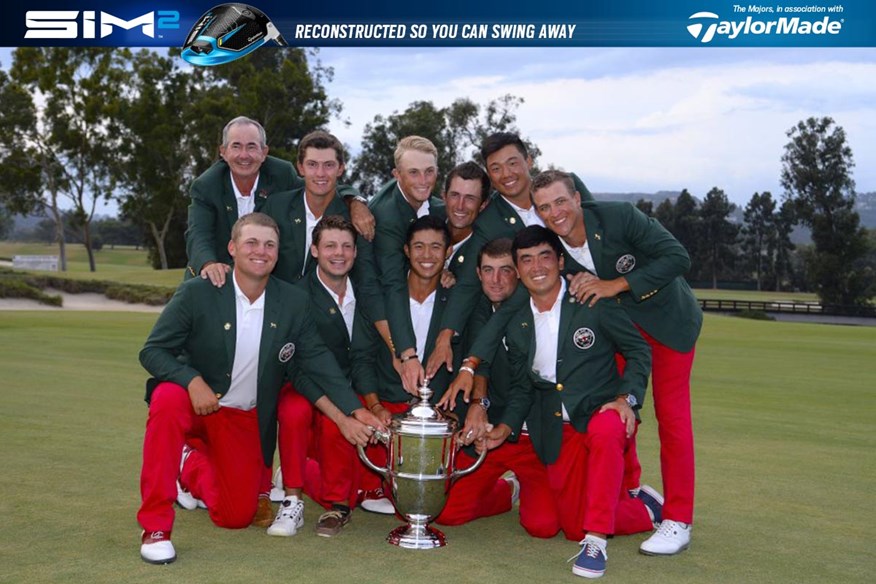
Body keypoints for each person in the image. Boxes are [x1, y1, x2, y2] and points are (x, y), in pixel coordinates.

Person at [137, 213, 384, 564]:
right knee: (167, 398)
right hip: (194, 400)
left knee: (235, 516)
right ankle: (156, 527)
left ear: (278, 253)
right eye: (251, 242)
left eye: (269, 244)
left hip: (242, 417)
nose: (260, 251)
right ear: (232, 248)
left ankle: (188, 463)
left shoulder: (292, 302)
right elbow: (152, 351)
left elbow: (317, 361)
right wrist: (191, 380)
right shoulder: (198, 292)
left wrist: (356, 410)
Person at [530, 170, 702, 556]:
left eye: (560, 201)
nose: (555, 212)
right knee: (618, 413)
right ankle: (631, 489)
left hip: (669, 324)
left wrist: (616, 285)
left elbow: (678, 257)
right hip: (621, 335)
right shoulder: (553, 248)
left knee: (673, 420)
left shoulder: (620, 216)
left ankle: (678, 520)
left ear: (576, 198)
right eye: (544, 207)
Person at [487, 225, 659, 579]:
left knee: (609, 426)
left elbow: (638, 349)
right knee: (549, 524)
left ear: (560, 261)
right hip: (555, 429)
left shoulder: (591, 300)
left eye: (545, 257)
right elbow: (521, 385)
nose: (537, 267)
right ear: (518, 270)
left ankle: (596, 544)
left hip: (598, 413)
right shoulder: (516, 319)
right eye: (527, 260)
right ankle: (644, 509)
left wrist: (627, 398)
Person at [426, 132, 593, 388]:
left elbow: (596, 233)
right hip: (533, 319)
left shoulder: (564, 188)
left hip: (593, 306)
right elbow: (470, 283)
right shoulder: (489, 219)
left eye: (513, 163)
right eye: (496, 168)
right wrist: (444, 336)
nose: (506, 174)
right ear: (489, 176)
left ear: (529, 160)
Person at [435, 238, 555, 536]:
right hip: (489, 434)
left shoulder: (534, 310)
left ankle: (533, 489)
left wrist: (502, 423)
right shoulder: (478, 305)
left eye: (505, 270)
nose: (496, 280)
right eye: (488, 270)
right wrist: (479, 405)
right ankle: (507, 491)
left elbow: (524, 385)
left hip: (528, 435)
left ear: (518, 272)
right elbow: (483, 360)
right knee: (446, 512)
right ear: (478, 274)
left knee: (544, 526)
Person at [184, 117, 374, 286]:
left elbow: (319, 185)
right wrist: (209, 264)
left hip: (262, 277)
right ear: (223, 152)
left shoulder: (281, 174)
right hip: (216, 275)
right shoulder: (206, 185)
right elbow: (198, 234)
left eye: (251, 146)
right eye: (236, 146)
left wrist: (355, 200)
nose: (244, 155)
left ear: (264, 152)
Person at [294, 215, 390, 534]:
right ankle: (337, 505)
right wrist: (351, 410)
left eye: (347, 246)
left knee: (380, 420)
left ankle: (364, 485)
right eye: (330, 245)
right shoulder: (298, 296)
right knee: (339, 426)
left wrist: (372, 407)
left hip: (352, 383)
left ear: (355, 252)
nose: (339, 253)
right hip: (309, 384)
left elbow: (362, 357)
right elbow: (307, 364)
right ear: (315, 250)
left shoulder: (363, 293)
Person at [367, 136, 446, 393]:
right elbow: (392, 284)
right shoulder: (387, 216)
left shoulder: (438, 208)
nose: (423, 181)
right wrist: (406, 353)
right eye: (414, 173)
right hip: (375, 304)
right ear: (397, 174)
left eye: (429, 172)